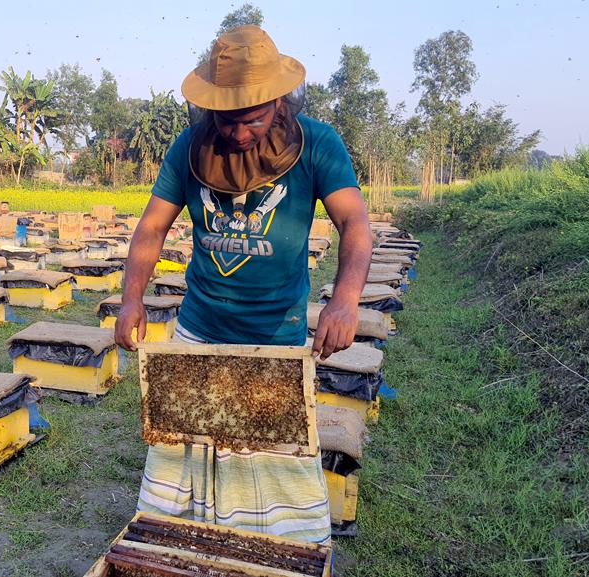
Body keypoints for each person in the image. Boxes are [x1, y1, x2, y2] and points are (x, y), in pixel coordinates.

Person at [115, 25, 372, 543]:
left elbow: (355, 224)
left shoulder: (319, 143)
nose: (237, 134)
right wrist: (130, 300)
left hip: (276, 337)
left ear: (279, 102)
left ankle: (281, 548)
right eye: (226, 120)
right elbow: (151, 227)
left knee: (279, 474)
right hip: (197, 331)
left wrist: (345, 301)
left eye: (250, 119)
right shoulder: (188, 147)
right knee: (177, 463)